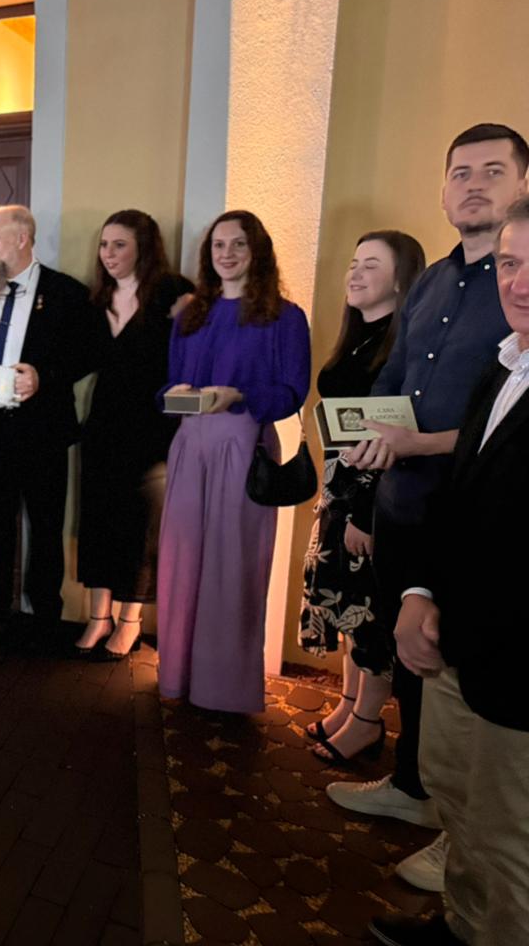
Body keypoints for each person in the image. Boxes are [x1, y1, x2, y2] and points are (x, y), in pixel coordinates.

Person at [329, 124, 528, 893]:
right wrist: (365, 447)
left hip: (477, 516)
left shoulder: (518, 288)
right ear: (443, 191)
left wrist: (414, 444)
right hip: (403, 502)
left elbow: (497, 423)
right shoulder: (433, 281)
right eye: (460, 173)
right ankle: (415, 787)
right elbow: (395, 379)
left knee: (466, 676)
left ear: (522, 186)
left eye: (492, 171)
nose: (473, 185)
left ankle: (463, 836)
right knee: (407, 653)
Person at [366, 195, 529, 946]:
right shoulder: (506, 366)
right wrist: (422, 589)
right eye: (511, 263)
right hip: (457, 632)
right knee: (459, 801)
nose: (518, 282)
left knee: (509, 836)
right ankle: (462, 927)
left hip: (516, 658)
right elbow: (463, 498)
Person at [156, 210, 311, 714]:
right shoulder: (190, 315)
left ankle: (223, 688)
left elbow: (292, 392)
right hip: (189, 447)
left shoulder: (285, 317)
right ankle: (178, 675)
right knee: (183, 561)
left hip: (245, 446)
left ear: (257, 251)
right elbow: (167, 388)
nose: (227, 253)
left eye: (238, 244)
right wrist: (177, 393)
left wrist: (239, 395)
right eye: (218, 245)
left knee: (233, 566)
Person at [299, 231, 426, 764]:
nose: (354, 273)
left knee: (368, 614)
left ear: (400, 280)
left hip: (370, 497)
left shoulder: (401, 348)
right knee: (346, 608)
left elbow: (391, 442)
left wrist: (364, 513)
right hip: (339, 489)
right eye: (353, 263)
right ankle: (349, 707)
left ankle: (369, 724)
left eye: (370, 265)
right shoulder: (358, 337)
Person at [0, 205, 91, 634]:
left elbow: (87, 354)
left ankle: (44, 611)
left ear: (22, 238)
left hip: (42, 431)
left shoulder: (66, 292)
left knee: (46, 525)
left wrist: (43, 376)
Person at [75, 210, 193, 659]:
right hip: (103, 424)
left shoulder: (173, 292)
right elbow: (80, 359)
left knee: (139, 526)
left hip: (152, 428)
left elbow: (191, 357)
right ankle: (98, 617)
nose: (108, 254)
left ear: (144, 247)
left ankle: (130, 621)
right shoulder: (96, 300)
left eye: (119, 244)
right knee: (97, 520)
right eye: (104, 245)